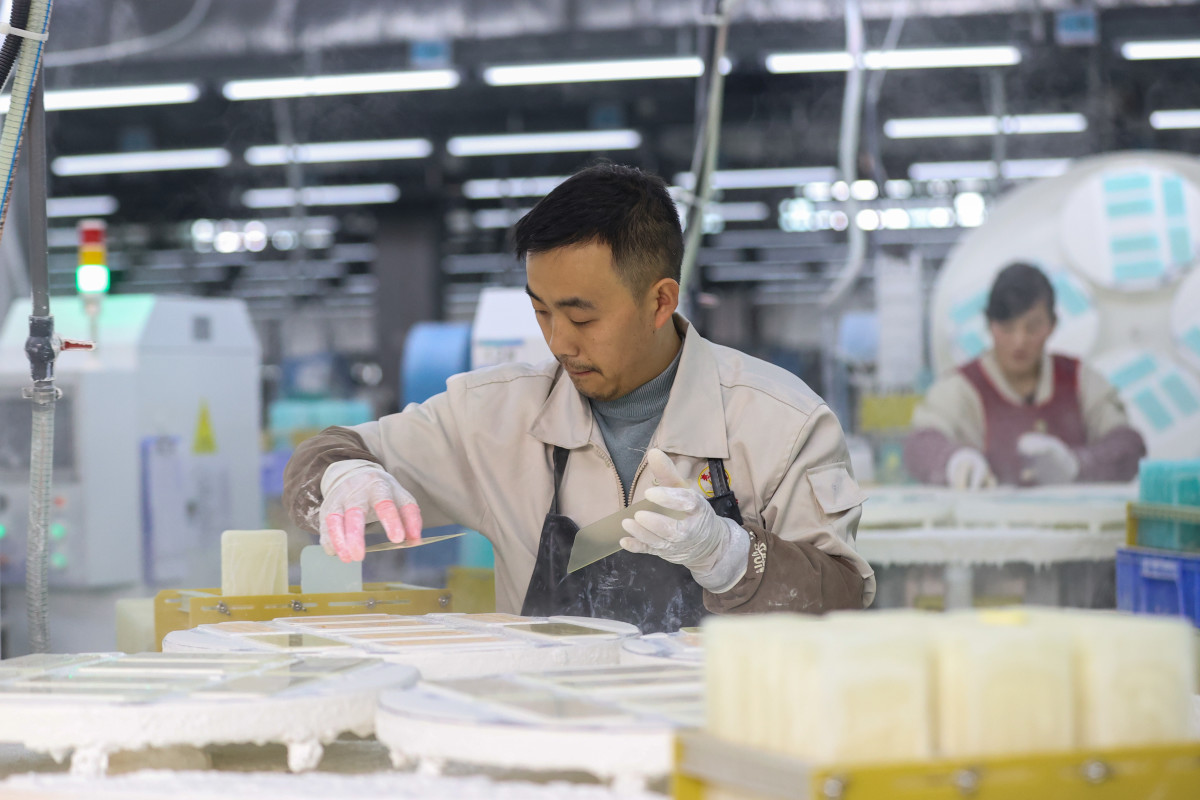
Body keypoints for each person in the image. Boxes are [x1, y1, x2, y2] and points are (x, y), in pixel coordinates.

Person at [283, 163, 873, 633]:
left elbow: (844, 600)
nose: (559, 342)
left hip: (720, 752)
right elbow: (324, 455)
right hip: (553, 749)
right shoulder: (497, 419)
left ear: (661, 301)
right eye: (541, 311)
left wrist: (730, 558)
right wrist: (342, 476)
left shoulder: (780, 424)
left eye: (581, 317)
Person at [905, 262, 1145, 489]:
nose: (1019, 341)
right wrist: (954, 461)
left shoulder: (1079, 380)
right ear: (990, 325)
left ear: (1052, 325)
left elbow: (1129, 445)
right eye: (1007, 329)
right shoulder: (962, 388)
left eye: (1032, 328)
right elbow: (920, 445)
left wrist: (1076, 465)